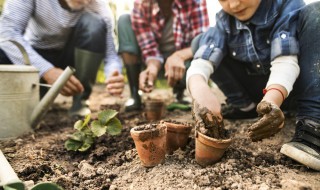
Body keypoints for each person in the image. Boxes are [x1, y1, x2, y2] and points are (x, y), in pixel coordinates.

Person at [187, 0, 320, 171]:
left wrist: (272, 99)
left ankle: (313, 124)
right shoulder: (224, 20)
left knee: (316, 13)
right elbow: (201, 62)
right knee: (200, 42)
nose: (234, 5)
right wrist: (199, 88)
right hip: (260, 95)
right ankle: (245, 107)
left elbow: (285, 61)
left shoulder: (286, 6)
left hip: (293, 89)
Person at [0, 0, 124, 117]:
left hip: (71, 60)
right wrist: (46, 70)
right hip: (36, 56)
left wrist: (113, 73)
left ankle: (80, 101)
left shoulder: (99, 6)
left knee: (94, 23)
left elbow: (111, 55)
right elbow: (7, 33)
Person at [117, 0, 209, 111]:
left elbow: (202, 43)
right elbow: (149, 49)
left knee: (200, 56)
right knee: (124, 20)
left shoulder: (195, 2)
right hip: (151, 62)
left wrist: (179, 56)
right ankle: (134, 93)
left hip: (183, 63)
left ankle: (179, 92)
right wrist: (152, 67)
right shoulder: (141, 4)